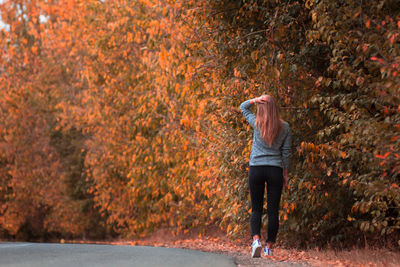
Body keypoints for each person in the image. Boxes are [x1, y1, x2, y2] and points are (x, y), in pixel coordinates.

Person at [239, 94, 291, 258]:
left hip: (256, 168)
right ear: (275, 108)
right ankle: (269, 247)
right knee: (273, 211)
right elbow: (286, 153)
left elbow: (242, 107)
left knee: (256, 208)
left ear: (261, 107)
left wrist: (255, 100)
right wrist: (285, 173)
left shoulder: (256, 123)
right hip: (275, 169)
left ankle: (256, 241)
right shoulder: (285, 127)